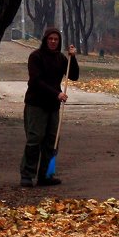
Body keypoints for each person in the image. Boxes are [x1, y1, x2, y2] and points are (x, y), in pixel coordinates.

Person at [20, 27, 79, 187]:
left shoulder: (60, 58)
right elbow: (36, 81)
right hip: (36, 104)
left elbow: (73, 75)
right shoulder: (36, 57)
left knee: (52, 141)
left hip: (53, 106)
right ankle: (27, 174)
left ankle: (46, 175)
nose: (53, 42)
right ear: (45, 40)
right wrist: (56, 94)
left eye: (56, 39)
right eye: (50, 39)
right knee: (35, 138)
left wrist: (72, 58)